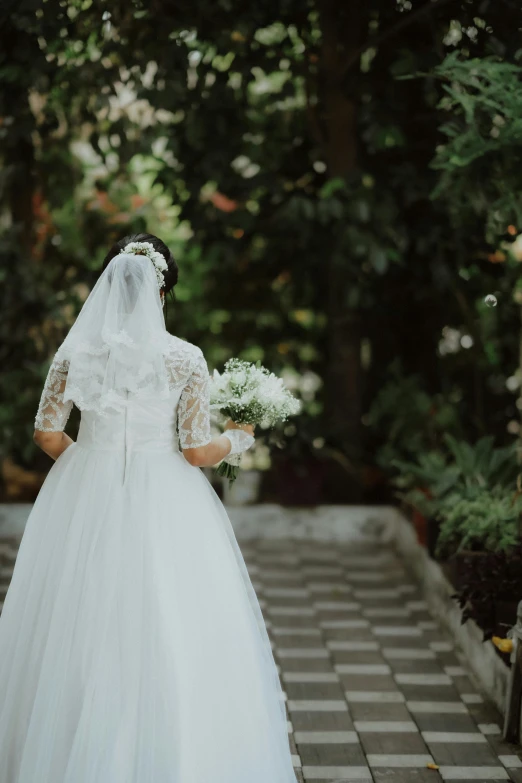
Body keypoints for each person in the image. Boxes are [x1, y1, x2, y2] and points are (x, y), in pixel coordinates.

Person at [0, 233, 298, 783]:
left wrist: (87, 465)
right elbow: (193, 451)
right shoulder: (184, 358)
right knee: (171, 614)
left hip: (85, 488)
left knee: (75, 617)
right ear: (164, 291)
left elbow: (46, 434)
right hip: (167, 495)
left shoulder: (74, 353)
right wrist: (239, 439)